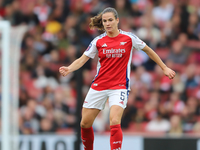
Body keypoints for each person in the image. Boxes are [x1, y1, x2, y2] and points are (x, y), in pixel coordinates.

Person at [59, 7, 176, 150]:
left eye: (110, 20)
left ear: (117, 20)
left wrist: (164, 67)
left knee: (114, 120)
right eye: (104, 21)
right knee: (84, 124)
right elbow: (82, 59)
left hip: (119, 86)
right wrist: (69, 68)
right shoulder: (98, 41)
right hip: (99, 85)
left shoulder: (129, 38)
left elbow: (148, 50)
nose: (107, 23)